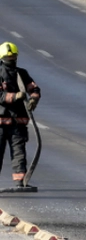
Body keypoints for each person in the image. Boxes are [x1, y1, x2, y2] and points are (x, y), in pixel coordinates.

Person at [0, 42, 40, 188]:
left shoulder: (21, 74)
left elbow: (34, 88)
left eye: (14, 56)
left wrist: (34, 99)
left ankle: (20, 181)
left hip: (18, 122)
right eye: (8, 56)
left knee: (19, 153)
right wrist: (15, 96)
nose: (11, 58)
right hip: (1, 122)